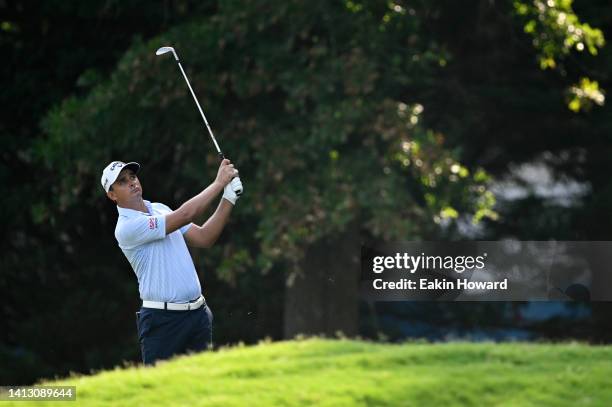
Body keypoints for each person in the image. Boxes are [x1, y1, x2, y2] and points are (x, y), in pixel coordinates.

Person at [100, 159, 242, 365]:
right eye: (122, 181)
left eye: (132, 176)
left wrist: (228, 198)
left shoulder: (160, 209)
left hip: (198, 316)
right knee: (161, 393)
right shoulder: (126, 228)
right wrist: (219, 183)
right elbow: (186, 214)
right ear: (112, 195)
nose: (131, 182)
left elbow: (204, 237)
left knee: (203, 388)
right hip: (163, 322)